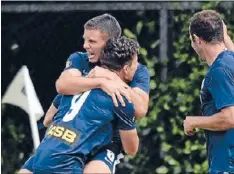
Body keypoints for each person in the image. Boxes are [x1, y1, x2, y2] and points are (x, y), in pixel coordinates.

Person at [19, 13, 150, 174]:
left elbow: (141, 108)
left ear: (109, 43)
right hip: (74, 138)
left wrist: (112, 79)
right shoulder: (80, 59)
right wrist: (101, 81)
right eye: (85, 40)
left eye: (92, 41)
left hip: (105, 142)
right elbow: (62, 85)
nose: (85, 46)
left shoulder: (135, 68)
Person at [183, 10, 234, 174]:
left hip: (229, 163)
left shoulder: (219, 70)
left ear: (198, 39)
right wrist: (225, 37)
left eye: (192, 41)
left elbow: (231, 118)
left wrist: (193, 121)